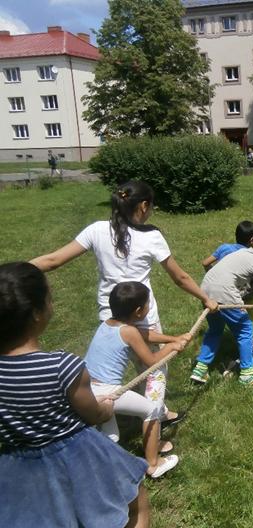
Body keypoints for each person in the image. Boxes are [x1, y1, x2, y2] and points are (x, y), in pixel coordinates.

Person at [30, 180, 218, 426]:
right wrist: (205, 298)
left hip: (110, 318)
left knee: (115, 372)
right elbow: (179, 277)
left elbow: (53, 260)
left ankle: (133, 414)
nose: (151, 211)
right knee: (154, 371)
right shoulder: (152, 236)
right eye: (150, 207)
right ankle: (154, 426)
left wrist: (13, 272)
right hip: (142, 317)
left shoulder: (96, 230)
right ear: (142, 206)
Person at [0, 262, 150, 528]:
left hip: (17, 461)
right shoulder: (63, 366)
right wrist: (105, 406)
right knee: (134, 501)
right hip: (78, 454)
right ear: (36, 314)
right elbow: (94, 415)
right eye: (48, 298)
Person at [85, 282, 189, 478]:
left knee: (112, 436)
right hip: (108, 392)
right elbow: (152, 362)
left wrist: (172, 339)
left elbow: (143, 335)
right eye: (148, 304)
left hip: (87, 388)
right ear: (139, 311)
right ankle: (153, 465)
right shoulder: (129, 332)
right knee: (152, 410)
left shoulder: (108, 323)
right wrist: (173, 347)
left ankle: (102, 471)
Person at [190, 230, 253, 386]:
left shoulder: (245, 252)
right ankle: (247, 375)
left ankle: (200, 370)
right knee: (245, 329)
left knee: (215, 329)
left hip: (205, 289)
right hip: (225, 293)